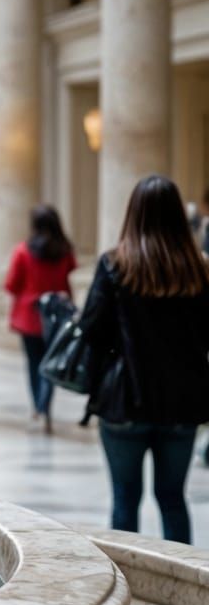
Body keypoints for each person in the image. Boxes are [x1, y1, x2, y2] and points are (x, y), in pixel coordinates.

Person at [78, 175, 209, 544]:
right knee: (172, 500)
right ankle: (183, 589)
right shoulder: (199, 270)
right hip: (182, 402)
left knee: (125, 500)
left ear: (133, 213)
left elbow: (92, 329)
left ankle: (130, 588)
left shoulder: (114, 265)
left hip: (124, 399)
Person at [4, 205, 77, 430]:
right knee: (49, 363)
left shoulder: (23, 251)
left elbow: (11, 284)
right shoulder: (64, 251)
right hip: (56, 314)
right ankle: (44, 407)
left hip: (29, 314)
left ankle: (37, 408)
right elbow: (67, 279)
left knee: (34, 363)